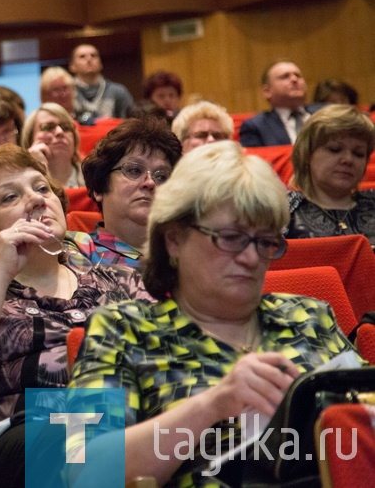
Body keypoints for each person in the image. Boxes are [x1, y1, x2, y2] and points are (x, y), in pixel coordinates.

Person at [69, 140, 362, 486]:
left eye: (265, 241)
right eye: (230, 237)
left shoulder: (309, 316)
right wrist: (212, 405)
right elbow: (80, 471)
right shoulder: (118, 328)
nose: (252, 259)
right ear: (173, 239)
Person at [0, 145, 153, 488]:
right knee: (92, 426)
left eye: (42, 189)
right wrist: (1, 272)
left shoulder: (120, 280)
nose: (36, 200)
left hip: (130, 419)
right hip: (22, 433)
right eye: (10, 197)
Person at [74, 117, 181, 267]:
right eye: (134, 170)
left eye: (162, 176)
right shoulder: (74, 253)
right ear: (99, 188)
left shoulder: (187, 256)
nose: (150, 182)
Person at [285, 104, 375, 244]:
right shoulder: (284, 211)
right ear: (307, 154)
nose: (348, 160)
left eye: (358, 154)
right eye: (334, 149)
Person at [240, 60, 320, 147]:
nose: (294, 79)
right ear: (267, 91)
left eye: (298, 75)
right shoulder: (255, 127)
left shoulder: (327, 112)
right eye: (285, 77)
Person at [19, 102, 84, 187]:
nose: (60, 132)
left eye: (66, 127)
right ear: (30, 139)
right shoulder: (20, 184)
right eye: (48, 127)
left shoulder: (95, 177)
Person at [69, 44, 133, 123]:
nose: (89, 59)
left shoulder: (118, 91)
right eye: (82, 56)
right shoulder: (66, 92)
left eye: (93, 55)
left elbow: (129, 123)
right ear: (72, 66)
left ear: (100, 63)